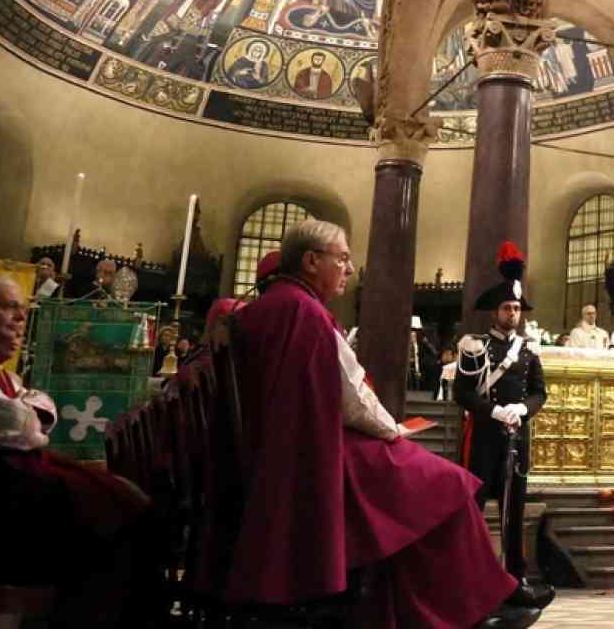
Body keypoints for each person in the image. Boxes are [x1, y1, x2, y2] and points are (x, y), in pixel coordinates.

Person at [223, 221, 540, 629]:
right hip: (315, 457)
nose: (349, 269)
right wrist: (393, 430)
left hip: (292, 450)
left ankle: (430, 602)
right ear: (311, 261)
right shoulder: (307, 313)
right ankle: (466, 608)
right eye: (342, 258)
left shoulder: (270, 307)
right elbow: (352, 398)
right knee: (450, 486)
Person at [0, 275, 154, 626]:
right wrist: (29, 414)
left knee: (124, 498)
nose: (21, 319)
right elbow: (21, 425)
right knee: (113, 510)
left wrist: (29, 412)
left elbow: (41, 407)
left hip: (15, 475)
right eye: (10, 307)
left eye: (23, 310)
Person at [454, 243, 551, 604]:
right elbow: (462, 394)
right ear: (495, 312)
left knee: (515, 509)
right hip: (483, 436)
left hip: (516, 437)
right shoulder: (474, 346)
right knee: (475, 507)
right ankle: (469, 577)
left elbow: (540, 391)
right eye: (507, 308)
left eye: (516, 309)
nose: (513, 313)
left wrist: (523, 409)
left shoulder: (528, 350)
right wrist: (494, 411)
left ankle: (514, 579)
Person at [409, 316, 439, 393]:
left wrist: (426, 342)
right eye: (412, 330)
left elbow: (434, 353)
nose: (413, 333)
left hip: (421, 365)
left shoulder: (423, 341)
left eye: (416, 330)